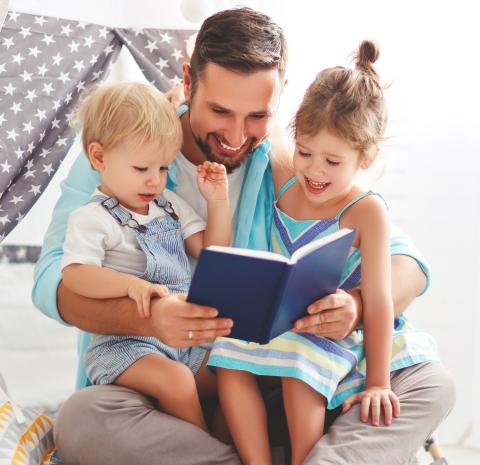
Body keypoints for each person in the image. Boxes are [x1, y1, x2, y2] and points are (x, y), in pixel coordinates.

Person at [32, 7, 454, 465]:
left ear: (281, 98)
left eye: (257, 115)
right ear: (188, 83)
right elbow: (53, 281)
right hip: (166, 392)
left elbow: (403, 261)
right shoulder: (124, 149)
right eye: (219, 111)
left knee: (431, 384)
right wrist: (148, 320)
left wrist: (353, 307)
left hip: (273, 382)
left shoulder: (291, 162)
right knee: (82, 419)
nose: (236, 135)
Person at [208, 40, 439, 465]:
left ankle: (303, 459)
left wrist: (377, 383)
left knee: (301, 361)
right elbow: (272, 132)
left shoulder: (365, 209)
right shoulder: (289, 183)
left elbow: (381, 298)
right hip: (283, 324)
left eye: (332, 162)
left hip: (334, 334)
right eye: (306, 153)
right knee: (227, 358)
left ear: (365, 158)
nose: (314, 170)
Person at [60, 82, 231, 432]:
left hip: (185, 342)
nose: (155, 181)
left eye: (164, 168)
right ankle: (207, 452)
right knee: (178, 382)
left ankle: (234, 444)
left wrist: (218, 202)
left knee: (235, 373)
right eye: (142, 169)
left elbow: (214, 257)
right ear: (99, 157)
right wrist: (130, 285)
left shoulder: (169, 206)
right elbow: (76, 274)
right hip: (125, 345)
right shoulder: (92, 219)